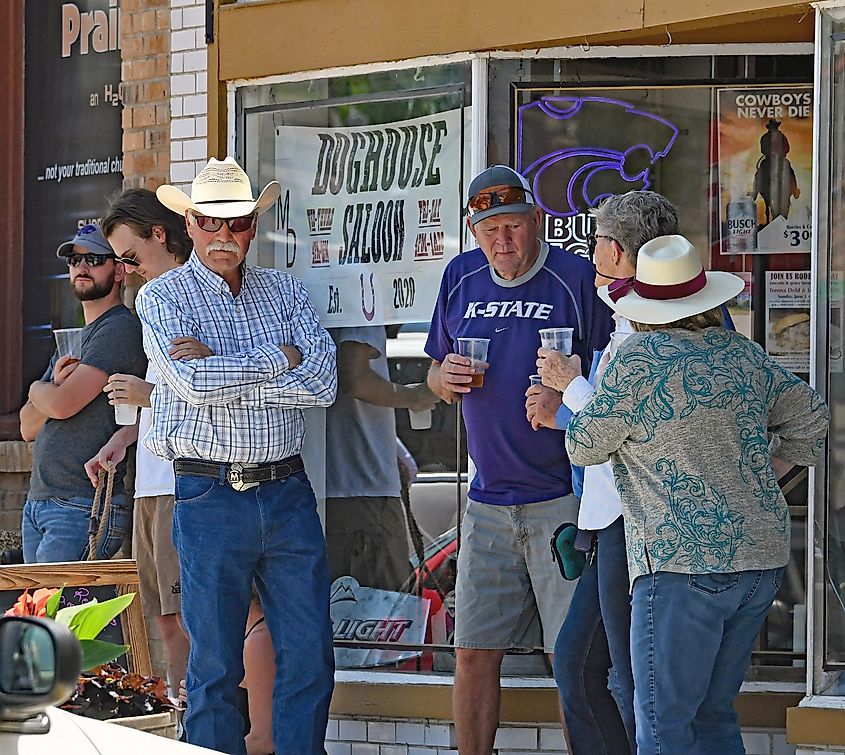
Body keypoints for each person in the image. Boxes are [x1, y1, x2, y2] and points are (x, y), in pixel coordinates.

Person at [563, 234, 829, 754]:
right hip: (758, 560)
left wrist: (573, 387)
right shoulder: (741, 354)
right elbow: (812, 416)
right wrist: (758, 472)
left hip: (680, 563)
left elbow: (583, 444)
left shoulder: (637, 361)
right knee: (712, 715)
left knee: (664, 728)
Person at [136, 157, 337, 755]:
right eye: (212, 223)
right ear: (189, 225)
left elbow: (323, 384)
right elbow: (190, 383)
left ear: (254, 225)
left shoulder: (287, 289)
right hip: (208, 492)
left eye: (240, 223)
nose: (226, 237)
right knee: (215, 664)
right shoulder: (162, 296)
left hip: (286, 487)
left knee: (310, 653)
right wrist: (282, 358)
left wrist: (223, 360)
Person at [425, 164, 613, 754]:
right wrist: (442, 376)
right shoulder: (459, 277)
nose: (502, 241)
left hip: (565, 498)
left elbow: (618, 377)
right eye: (488, 230)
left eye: (512, 226)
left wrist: (571, 393)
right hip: (487, 500)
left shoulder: (576, 278)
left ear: (537, 222)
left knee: (572, 659)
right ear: (473, 232)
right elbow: (434, 370)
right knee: (473, 650)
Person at [527, 190, 680, 754]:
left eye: (596, 243)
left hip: (631, 522)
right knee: (581, 666)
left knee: (631, 678)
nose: (590, 254)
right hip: (609, 523)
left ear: (616, 250)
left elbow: (621, 428)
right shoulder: (629, 317)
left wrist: (568, 386)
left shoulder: (652, 326)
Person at [83, 188, 194, 695]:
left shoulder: (195, 299)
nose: (125, 271)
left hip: (184, 481)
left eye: (129, 257)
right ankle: (179, 708)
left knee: (183, 614)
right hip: (150, 478)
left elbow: (215, 395)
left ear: (160, 234)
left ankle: (197, 715)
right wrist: (127, 435)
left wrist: (145, 394)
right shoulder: (152, 304)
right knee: (160, 615)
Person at [20, 224, 146, 563]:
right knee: (42, 614)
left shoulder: (118, 329)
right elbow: (27, 426)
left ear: (119, 270)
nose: (82, 268)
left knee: (64, 616)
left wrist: (40, 388)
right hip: (41, 502)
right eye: (75, 261)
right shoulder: (78, 338)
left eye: (94, 259)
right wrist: (54, 389)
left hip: (81, 503)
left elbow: (60, 406)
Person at [325, 326, 438, 590]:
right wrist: (415, 397)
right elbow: (355, 379)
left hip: (319, 486)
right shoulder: (363, 299)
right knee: (385, 613)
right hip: (363, 488)